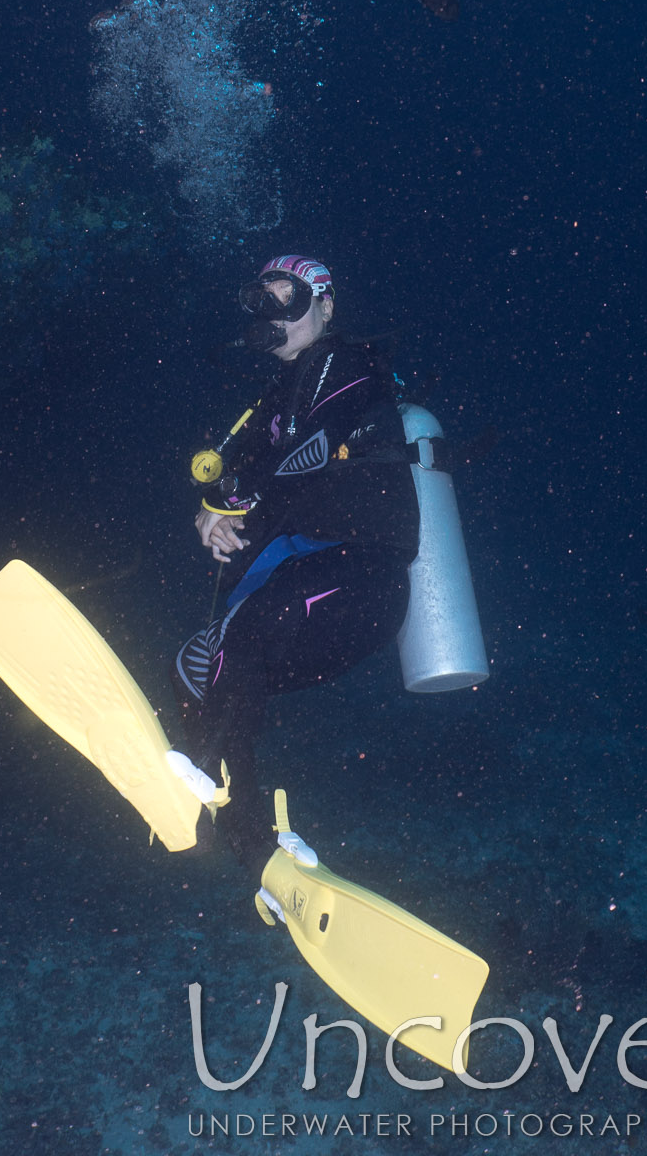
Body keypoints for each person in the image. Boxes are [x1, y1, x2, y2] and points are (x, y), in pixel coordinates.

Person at [171, 255, 420, 875]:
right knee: (194, 668)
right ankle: (250, 846)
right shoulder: (278, 398)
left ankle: (237, 811)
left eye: (291, 300)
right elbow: (248, 474)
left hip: (362, 578)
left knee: (256, 623)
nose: (274, 315)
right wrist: (215, 510)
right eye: (264, 301)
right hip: (309, 589)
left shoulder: (343, 365)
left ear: (326, 305)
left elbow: (311, 456)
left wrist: (237, 508)